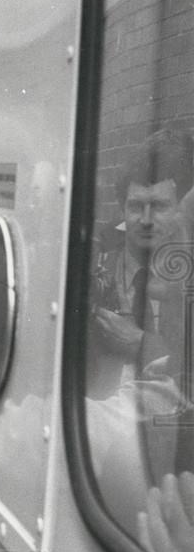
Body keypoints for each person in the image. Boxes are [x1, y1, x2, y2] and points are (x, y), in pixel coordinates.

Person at [92, 128, 193, 387]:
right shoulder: (96, 262)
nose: (145, 220)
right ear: (122, 207)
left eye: (159, 206)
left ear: (180, 210)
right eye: (136, 206)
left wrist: (141, 343)